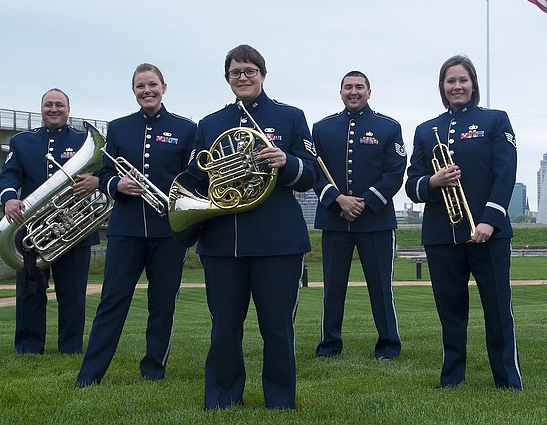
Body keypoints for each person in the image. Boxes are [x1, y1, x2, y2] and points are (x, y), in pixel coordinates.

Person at [181, 44, 317, 410]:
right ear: (227, 78)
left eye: (249, 71)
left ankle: (280, 401)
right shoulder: (210, 124)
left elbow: (310, 174)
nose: (243, 78)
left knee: (277, 329)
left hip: (277, 242)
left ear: (263, 74)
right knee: (224, 328)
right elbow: (197, 176)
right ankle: (223, 398)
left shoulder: (290, 117)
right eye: (235, 73)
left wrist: (286, 161)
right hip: (222, 241)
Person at [405, 55, 522, 390]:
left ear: (473, 84)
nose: (457, 86)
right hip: (442, 234)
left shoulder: (496, 120)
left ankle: (507, 379)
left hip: (489, 233)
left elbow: (505, 174)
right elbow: (412, 183)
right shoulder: (426, 130)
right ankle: (452, 378)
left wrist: (490, 220)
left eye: (463, 80)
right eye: (450, 81)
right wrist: (432, 182)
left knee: (498, 310)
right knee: (450, 311)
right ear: (442, 87)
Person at [77, 64, 196, 387]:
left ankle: (154, 368)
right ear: (134, 91)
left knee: (162, 303)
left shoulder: (186, 129)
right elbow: (101, 173)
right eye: (141, 86)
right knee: (112, 301)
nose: (147, 90)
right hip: (125, 228)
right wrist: (116, 184)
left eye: (152, 85)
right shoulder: (117, 128)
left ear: (164, 87)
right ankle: (90, 375)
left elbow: (192, 178)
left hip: (167, 231)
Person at [0, 88, 100, 355]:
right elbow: (9, 176)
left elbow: (104, 172)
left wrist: (96, 181)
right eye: (48, 105)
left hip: (74, 228)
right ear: (41, 108)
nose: (54, 109)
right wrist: (9, 198)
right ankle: (29, 348)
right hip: (31, 229)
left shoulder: (83, 139)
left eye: (59, 105)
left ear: (69, 109)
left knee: (73, 294)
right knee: (29, 292)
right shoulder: (21, 142)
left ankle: (71, 348)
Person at [312, 71, 405, 360]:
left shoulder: (388, 127)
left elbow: (395, 172)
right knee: (333, 287)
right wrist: (338, 199)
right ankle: (330, 344)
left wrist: (363, 202)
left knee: (381, 287)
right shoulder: (321, 128)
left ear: (369, 91)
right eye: (348, 87)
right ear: (340, 92)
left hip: (376, 221)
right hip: (334, 219)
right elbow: (313, 171)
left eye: (359, 87)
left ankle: (388, 345)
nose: (354, 92)